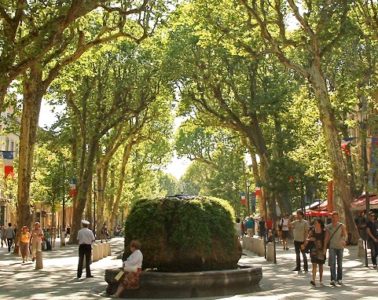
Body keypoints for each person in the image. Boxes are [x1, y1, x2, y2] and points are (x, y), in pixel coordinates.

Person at [324, 211, 347, 286]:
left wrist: (344, 240)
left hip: (340, 247)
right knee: (332, 263)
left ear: (338, 218)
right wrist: (324, 247)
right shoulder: (328, 226)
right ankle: (333, 279)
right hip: (332, 247)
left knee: (339, 263)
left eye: (335, 217)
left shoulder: (341, 225)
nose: (334, 219)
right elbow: (326, 237)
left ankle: (339, 279)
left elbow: (345, 235)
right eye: (333, 217)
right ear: (331, 218)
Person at [302, 218, 326, 287]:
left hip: (321, 250)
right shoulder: (312, 231)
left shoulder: (324, 231)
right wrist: (309, 239)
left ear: (320, 223)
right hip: (313, 249)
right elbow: (307, 239)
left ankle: (321, 281)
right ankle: (313, 280)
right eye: (314, 223)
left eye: (316, 223)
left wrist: (325, 249)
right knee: (314, 264)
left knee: (321, 266)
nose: (315, 224)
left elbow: (326, 241)